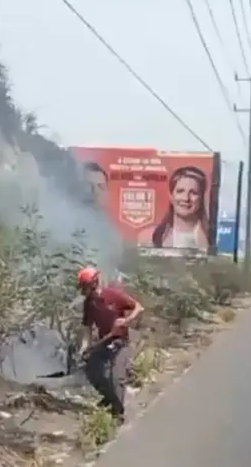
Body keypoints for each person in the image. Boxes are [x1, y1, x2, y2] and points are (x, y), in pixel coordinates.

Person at [76, 265, 144, 423]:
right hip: (104, 341)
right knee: (91, 370)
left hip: (120, 342)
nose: (82, 291)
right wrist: (85, 347)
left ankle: (118, 413)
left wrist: (126, 321)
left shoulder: (113, 295)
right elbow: (86, 327)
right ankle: (109, 398)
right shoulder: (89, 304)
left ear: (94, 284)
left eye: (85, 287)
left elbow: (139, 308)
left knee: (116, 376)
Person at [139, 166, 210, 250]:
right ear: (171, 195)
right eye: (180, 191)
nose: (186, 198)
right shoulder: (148, 237)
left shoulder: (211, 239)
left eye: (193, 193)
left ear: (202, 197)